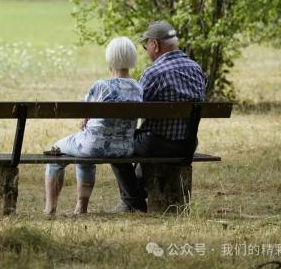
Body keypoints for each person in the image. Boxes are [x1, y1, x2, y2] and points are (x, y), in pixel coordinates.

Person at [111, 20, 207, 213]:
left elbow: (133, 109)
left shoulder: (153, 73)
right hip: (187, 144)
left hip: (156, 144)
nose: (146, 50)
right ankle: (134, 196)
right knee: (140, 140)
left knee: (115, 146)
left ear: (154, 44)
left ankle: (134, 202)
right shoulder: (197, 69)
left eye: (145, 45)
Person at [44, 36, 143, 216]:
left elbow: (83, 119)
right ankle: (80, 207)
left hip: (93, 146)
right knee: (84, 151)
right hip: (124, 149)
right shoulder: (138, 88)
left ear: (110, 59)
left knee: (56, 150)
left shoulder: (101, 86)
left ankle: (50, 209)